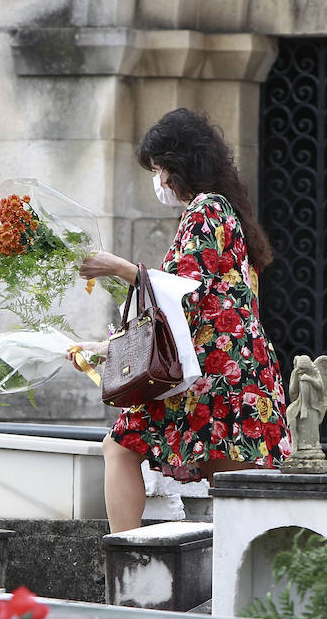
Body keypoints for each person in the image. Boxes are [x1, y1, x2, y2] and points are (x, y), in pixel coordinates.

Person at [75, 109, 293, 532]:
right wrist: (108, 349)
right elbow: (196, 301)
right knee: (237, 483)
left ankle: (126, 562)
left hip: (208, 373)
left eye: (158, 169)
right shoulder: (226, 211)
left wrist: (119, 267)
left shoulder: (205, 209)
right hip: (231, 371)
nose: (157, 180)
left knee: (120, 447)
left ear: (180, 165)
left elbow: (185, 293)